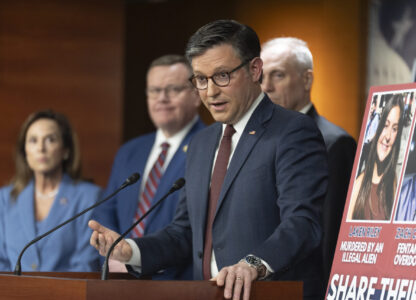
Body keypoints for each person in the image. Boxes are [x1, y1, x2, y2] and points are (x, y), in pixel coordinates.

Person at [89, 20, 328, 300]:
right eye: (201, 79)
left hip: (269, 293)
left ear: (254, 69)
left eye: (222, 76)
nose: (210, 91)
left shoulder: (292, 131)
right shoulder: (202, 143)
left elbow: (303, 221)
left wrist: (253, 264)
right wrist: (130, 250)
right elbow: (185, 232)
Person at [91, 54, 204, 278]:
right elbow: (106, 210)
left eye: (173, 89)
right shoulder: (130, 151)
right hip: (120, 279)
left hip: (177, 283)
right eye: (154, 90)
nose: (162, 98)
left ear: (196, 95)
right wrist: (114, 254)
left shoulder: (209, 146)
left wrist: (136, 255)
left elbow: (191, 230)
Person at [260, 37, 357, 288]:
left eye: (278, 75)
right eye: (261, 77)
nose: (266, 87)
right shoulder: (254, 140)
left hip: (305, 289)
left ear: (307, 79)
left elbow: (332, 236)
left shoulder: (335, 143)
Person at [0, 110, 101, 271]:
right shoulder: (5, 198)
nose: (41, 148)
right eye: (33, 140)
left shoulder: (89, 198)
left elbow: (85, 265)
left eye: (50, 140)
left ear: (66, 150)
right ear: (25, 151)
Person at [347, 94, 404, 221]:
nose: (388, 136)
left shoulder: (392, 182)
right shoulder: (358, 185)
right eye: (385, 125)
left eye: (394, 129)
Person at [359, 95, 380, 173]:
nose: (370, 110)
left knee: (367, 165)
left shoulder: (376, 117)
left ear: (374, 108)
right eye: (369, 108)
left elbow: (376, 132)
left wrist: (370, 139)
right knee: (359, 164)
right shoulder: (367, 117)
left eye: (372, 108)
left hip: (369, 144)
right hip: (363, 145)